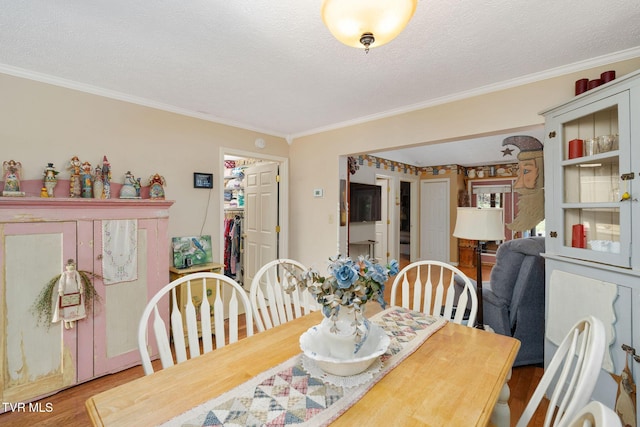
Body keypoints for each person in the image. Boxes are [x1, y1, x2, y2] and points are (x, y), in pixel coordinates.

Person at [52, 259, 87, 329]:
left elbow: (79, 280)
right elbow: (61, 282)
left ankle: (72, 320)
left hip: (74, 290)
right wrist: (61, 290)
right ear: (67, 266)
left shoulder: (76, 273)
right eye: (70, 265)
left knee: (74, 304)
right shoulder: (64, 273)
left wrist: (80, 288)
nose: (72, 266)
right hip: (66, 291)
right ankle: (66, 320)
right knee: (66, 304)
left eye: (73, 265)